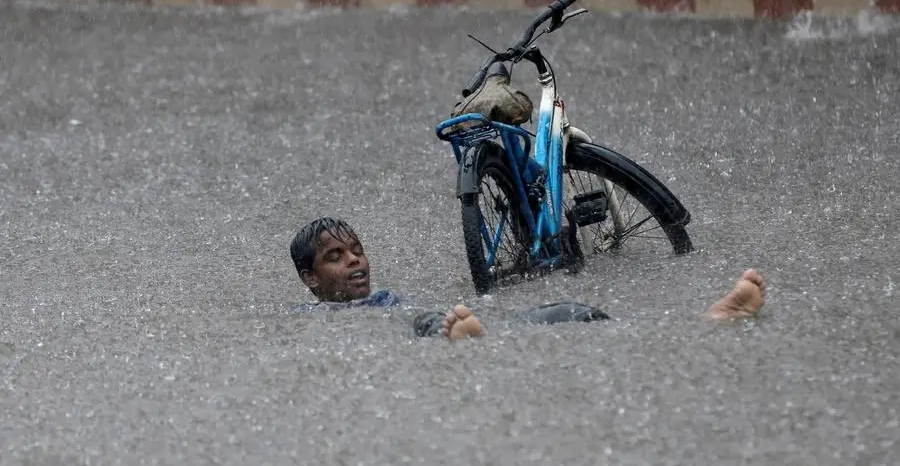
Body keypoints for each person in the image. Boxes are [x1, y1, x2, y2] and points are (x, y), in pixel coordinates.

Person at [288, 217, 766, 340]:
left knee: (579, 314)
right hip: (432, 329)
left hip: (480, 323)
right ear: (310, 278)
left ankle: (710, 318)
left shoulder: (392, 299)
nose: (356, 261)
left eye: (357, 249)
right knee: (431, 322)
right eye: (336, 256)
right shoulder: (308, 319)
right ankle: (458, 339)